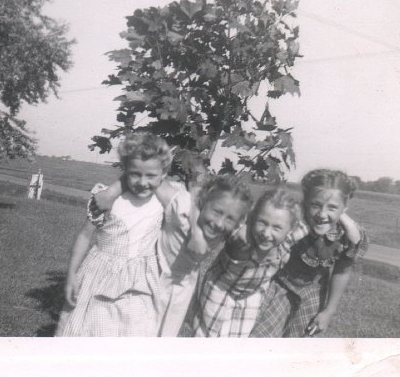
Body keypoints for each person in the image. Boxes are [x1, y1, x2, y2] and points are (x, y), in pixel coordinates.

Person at [91, 169, 253, 337]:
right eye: (217, 212)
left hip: (181, 289)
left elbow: (249, 227)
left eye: (230, 218)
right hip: (150, 278)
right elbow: (150, 175)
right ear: (202, 203)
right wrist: (111, 193)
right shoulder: (182, 207)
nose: (219, 223)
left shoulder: (232, 227)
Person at [55, 132, 172, 337]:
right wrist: (71, 275)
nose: (143, 182)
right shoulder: (107, 198)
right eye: (135, 173)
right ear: (125, 170)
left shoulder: (163, 202)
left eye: (151, 175)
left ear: (163, 174)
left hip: (142, 279)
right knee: (90, 329)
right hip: (100, 274)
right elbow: (85, 236)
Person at [249, 169, 368, 338]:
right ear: (305, 202)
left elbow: (342, 271)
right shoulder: (293, 220)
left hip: (312, 293)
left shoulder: (346, 235)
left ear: (345, 207)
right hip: (278, 286)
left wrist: (328, 312)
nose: (322, 215)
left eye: (332, 208)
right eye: (315, 205)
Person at [189, 188, 301, 338]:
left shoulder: (287, 240)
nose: (266, 233)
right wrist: (196, 234)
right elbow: (196, 196)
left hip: (250, 298)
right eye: (262, 222)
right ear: (252, 217)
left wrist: (344, 218)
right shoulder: (241, 237)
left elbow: (311, 221)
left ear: (291, 228)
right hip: (220, 293)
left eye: (276, 227)